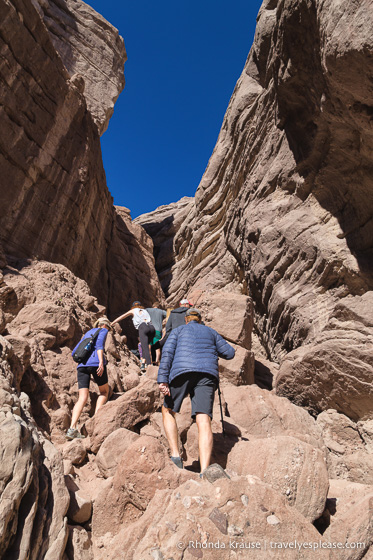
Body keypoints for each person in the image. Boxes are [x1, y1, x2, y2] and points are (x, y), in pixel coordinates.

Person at [157, 308, 235, 473]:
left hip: (181, 372)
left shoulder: (178, 331)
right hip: (206, 374)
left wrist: (163, 379)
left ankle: (176, 456)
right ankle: (205, 470)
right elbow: (229, 353)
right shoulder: (210, 332)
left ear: (186, 320)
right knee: (203, 419)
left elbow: (167, 354)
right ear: (200, 320)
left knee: (167, 410)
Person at [67, 317, 111, 440]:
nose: (108, 330)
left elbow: (75, 351)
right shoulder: (103, 331)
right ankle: (97, 421)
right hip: (96, 364)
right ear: (104, 325)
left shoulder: (88, 333)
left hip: (81, 366)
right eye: (108, 328)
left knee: (82, 398)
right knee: (104, 392)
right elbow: (99, 346)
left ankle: (72, 428)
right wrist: (101, 362)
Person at [111, 301, 155, 371]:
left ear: (133, 306)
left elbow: (122, 317)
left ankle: (149, 365)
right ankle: (143, 364)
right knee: (145, 346)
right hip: (152, 328)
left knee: (145, 347)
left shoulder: (133, 310)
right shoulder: (145, 310)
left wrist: (112, 323)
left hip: (143, 327)